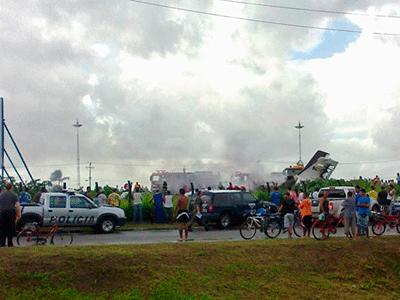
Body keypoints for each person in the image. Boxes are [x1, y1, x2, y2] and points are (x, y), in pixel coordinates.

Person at [0, 183, 20, 247]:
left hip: (2, 213)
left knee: (3, 228)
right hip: (11, 213)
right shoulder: (14, 195)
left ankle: (2, 243)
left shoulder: (1, 194)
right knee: (10, 228)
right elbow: (17, 205)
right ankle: (10, 243)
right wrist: (19, 214)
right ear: (11, 187)